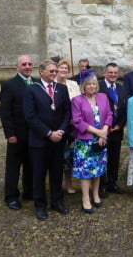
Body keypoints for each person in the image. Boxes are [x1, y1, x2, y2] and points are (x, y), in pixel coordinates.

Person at [23, 59, 71, 220]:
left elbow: (67, 113)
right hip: (40, 141)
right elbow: (30, 117)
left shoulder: (62, 89)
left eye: (55, 71)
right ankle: (40, 206)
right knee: (39, 174)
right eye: (51, 71)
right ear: (41, 72)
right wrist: (49, 133)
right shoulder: (32, 90)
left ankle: (57, 202)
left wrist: (61, 131)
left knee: (57, 173)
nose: (54, 73)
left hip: (58, 140)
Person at [71, 75, 112, 213]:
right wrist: (98, 132)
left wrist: (104, 131)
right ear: (83, 86)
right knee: (86, 171)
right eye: (89, 84)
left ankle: (95, 195)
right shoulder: (77, 100)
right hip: (85, 141)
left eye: (94, 84)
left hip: (101, 139)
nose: (92, 86)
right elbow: (77, 121)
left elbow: (109, 115)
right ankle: (85, 198)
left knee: (98, 169)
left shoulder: (103, 97)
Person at [0, 55, 35, 210]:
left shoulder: (37, 83)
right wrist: (10, 134)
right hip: (17, 134)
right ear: (17, 66)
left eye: (29, 64)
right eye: (24, 64)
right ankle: (11, 196)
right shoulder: (9, 85)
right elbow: (5, 112)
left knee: (31, 164)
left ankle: (29, 191)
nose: (27, 66)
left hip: (34, 134)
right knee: (13, 166)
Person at [98, 62, 126, 196]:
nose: (113, 75)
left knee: (114, 158)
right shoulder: (98, 86)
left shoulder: (121, 88)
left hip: (117, 130)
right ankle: (101, 185)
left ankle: (112, 183)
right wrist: (105, 127)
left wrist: (120, 125)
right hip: (102, 130)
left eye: (115, 72)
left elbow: (124, 109)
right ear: (105, 73)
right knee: (102, 158)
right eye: (110, 72)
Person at [55, 58, 81, 195]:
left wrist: (74, 118)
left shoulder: (73, 84)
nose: (64, 70)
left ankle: (69, 183)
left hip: (72, 126)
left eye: (66, 68)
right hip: (57, 125)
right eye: (61, 68)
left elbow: (78, 103)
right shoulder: (52, 84)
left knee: (68, 156)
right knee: (56, 156)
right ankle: (56, 183)